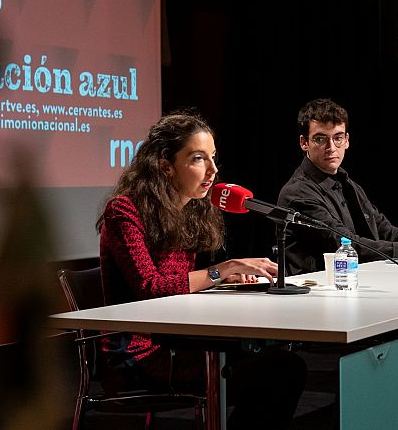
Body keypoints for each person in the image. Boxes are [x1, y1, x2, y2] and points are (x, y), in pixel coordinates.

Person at [97, 111, 305, 429]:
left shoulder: (190, 211)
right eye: (198, 159)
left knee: (281, 360)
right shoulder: (124, 210)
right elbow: (151, 288)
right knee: (280, 369)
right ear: (165, 165)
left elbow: (178, 286)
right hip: (139, 354)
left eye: (213, 158)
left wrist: (226, 278)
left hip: (181, 341)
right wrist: (222, 270)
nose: (213, 170)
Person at [277, 98, 398, 275]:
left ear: (347, 140)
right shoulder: (298, 193)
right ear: (304, 142)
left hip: (355, 283)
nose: (331, 147)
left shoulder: (347, 183)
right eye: (320, 139)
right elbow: (346, 244)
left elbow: (384, 229)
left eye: (337, 138)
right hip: (317, 292)